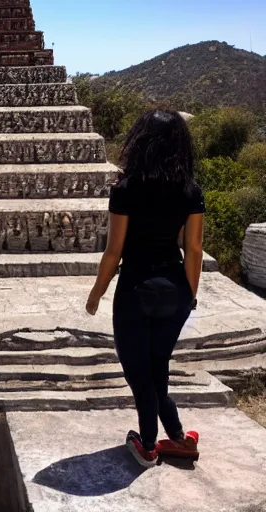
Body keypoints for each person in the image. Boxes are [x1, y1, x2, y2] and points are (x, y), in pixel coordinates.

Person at [85, 110, 205, 468]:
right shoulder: (190, 189)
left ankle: (148, 446)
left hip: (135, 290)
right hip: (175, 291)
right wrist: (191, 294)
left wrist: (97, 293)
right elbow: (194, 250)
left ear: (141, 141)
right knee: (157, 369)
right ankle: (179, 439)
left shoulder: (126, 189)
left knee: (140, 374)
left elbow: (115, 250)